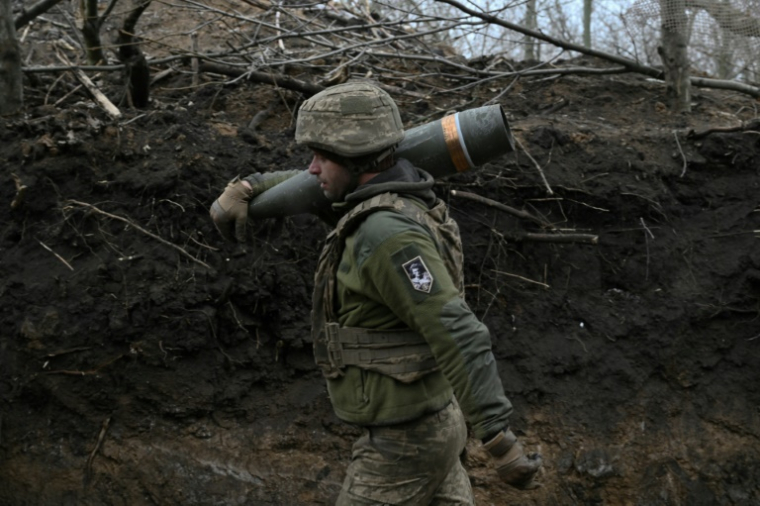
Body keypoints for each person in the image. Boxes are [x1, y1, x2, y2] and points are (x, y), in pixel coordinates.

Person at [210, 82, 542, 505]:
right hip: (431, 420)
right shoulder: (389, 193)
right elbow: (317, 187)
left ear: (353, 159)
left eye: (321, 156)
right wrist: (253, 187)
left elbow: (457, 331)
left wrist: (499, 441)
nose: (311, 169)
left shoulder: (386, 235)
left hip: (404, 444)